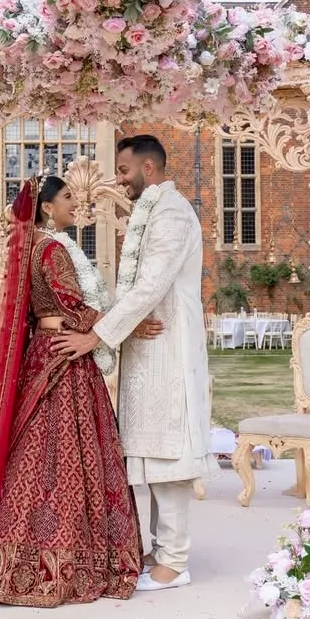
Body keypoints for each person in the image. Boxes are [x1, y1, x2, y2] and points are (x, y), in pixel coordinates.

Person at [0, 174, 159, 607]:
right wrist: (128, 324)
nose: (77, 204)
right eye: (68, 197)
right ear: (47, 207)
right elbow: (70, 305)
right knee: (66, 451)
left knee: (37, 452)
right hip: (63, 356)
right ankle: (67, 558)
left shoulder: (34, 247)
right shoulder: (52, 249)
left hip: (44, 353)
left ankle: (16, 550)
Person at [54, 134, 213, 592]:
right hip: (148, 344)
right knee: (150, 452)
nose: (119, 181)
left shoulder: (172, 214)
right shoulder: (154, 211)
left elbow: (150, 286)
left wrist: (96, 334)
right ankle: (162, 551)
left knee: (171, 457)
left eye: (123, 171)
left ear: (148, 167)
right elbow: (137, 291)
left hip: (170, 348)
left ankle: (175, 562)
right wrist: (118, 325)